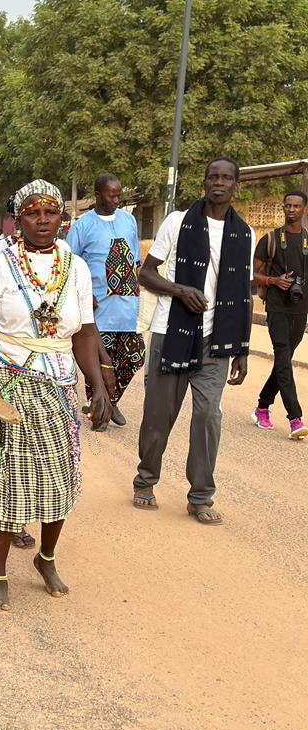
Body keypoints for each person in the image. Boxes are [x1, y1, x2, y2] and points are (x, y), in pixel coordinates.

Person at [0, 179, 111, 610]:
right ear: (18, 218)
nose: (42, 220)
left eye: (50, 212)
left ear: (63, 218)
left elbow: (84, 332)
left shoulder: (76, 267)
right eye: (32, 212)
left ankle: (46, 559)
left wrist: (98, 385)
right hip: (7, 384)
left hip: (58, 385)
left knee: (59, 481)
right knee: (4, 483)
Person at [133, 158, 253, 525]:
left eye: (226, 178)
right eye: (213, 177)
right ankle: (145, 480)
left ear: (236, 185)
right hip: (173, 333)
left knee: (208, 417)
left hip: (217, 340)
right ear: (204, 182)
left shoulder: (243, 233)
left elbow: (243, 293)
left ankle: (200, 497)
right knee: (158, 414)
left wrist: (242, 349)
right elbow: (145, 274)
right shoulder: (178, 221)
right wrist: (181, 290)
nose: (219, 183)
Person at [67, 173, 145, 427]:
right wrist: (83, 294)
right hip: (97, 309)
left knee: (135, 356)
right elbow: (69, 264)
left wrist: (137, 283)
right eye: (111, 195)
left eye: (118, 195)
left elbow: (134, 258)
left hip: (127, 306)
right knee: (100, 360)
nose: (116, 200)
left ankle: (110, 401)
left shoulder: (128, 220)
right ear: (98, 195)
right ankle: (100, 408)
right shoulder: (82, 226)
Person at [252, 191, 308, 439]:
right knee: (284, 361)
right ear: (283, 208)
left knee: (282, 363)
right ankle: (296, 419)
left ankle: (262, 406)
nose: (292, 209)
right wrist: (273, 280)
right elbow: (251, 274)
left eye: (297, 206)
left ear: (305, 210)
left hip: (300, 310)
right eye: (288, 205)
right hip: (276, 309)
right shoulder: (271, 239)